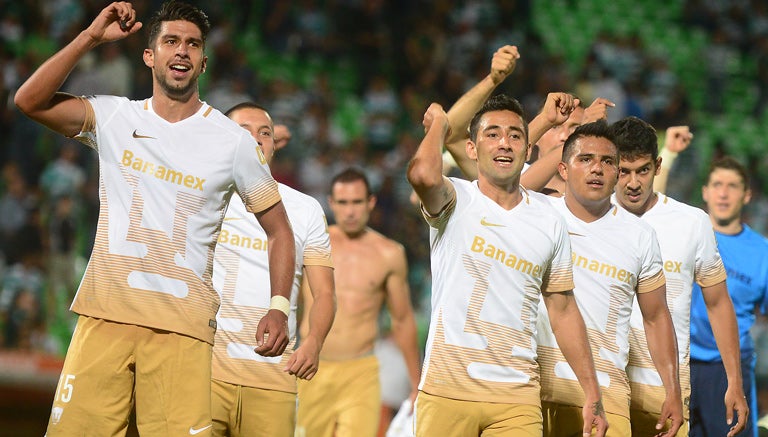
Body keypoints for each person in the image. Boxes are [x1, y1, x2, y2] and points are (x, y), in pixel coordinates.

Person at [13, 2, 295, 435]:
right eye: (170, 41)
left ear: (204, 61)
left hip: (181, 330)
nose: (181, 51)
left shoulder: (233, 142)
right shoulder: (114, 117)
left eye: (192, 44)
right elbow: (28, 100)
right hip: (105, 317)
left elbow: (278, 230)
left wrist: (278, 306)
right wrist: (90, 36)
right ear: (150, 55)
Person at [407, 96, 608, 436]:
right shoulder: (456, 199)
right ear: (472, 149)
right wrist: (439, 126)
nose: (505, 143)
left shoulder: (549, 218)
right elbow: (423, 175)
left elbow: (562, 309)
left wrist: (592, 392)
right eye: (493, 134)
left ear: (528, 150)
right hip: (447, 390)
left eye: (516, 136)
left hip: (517, 398)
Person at [534, 121, 682, 436]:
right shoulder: (537, 214)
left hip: (608, 393)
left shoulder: (640, 235)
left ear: (616, 172)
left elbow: (656, 316)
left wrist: (673, 389)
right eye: (585, 159)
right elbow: (502, 187)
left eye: (607, 162)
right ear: (563, 169)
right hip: (537, 388)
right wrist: (547, 122)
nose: (597, 169)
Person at [610, 116, 748, 436]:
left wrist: (735, 381)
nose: (633, 182)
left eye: (642, 170)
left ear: (658, 166)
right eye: (623, 171)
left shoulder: (692, 222)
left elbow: (717, 303)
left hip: (667, 391)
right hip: (603, 386)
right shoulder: (588, 218)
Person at [210, 103, 336, 437]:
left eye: (265, 134)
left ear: (275, 144)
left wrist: (314, 342)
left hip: (273, 376)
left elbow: (324, 292)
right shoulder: (205, 192)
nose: (256, 140)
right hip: (205, 371)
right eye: (244, 132)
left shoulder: (306, 209)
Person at [295, 167, 421, 437]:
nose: (350, 211)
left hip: (361, 372)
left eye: (357, 202)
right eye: (343, 202)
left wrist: (416, 381)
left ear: (370, 203)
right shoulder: (312, 243)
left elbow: (402, 319)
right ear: (331, 203)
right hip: (312, 367)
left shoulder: (389, 254)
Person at [689, 156, 768, 437]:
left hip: (730, 370)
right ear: (705, 191)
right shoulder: (684, 235)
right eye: (717, 184)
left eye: (732, 186)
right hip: (678, 363)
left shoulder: (763, 252)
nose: (723, 193)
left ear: (747, 195)